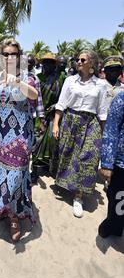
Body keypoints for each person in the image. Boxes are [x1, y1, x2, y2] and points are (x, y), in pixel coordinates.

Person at [0, 39, 38, 243]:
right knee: (1, 173)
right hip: (0, 133)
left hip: (21, 134)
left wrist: (16, 82)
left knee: (17, 174)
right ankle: (4, 210)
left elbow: (33, 95)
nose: (9, 58)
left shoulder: (28, 76)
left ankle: (14, 217)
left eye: (13, 54)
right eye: (5, 54)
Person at [52, 51, 108, 218]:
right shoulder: (70, 81)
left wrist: (105, 135)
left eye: (82, 59)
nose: (78, 61)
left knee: (87, 159)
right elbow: (61, 104)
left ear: (92, 63)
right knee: (68, 155)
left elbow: (102, 111)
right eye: (77, 59)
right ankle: (66, 184)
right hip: (70, 121)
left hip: (90, 124)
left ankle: (79, 196)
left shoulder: (100, 85)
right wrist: (56, 124)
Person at [31, 52, 66, 182]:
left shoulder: (59, 79)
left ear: (54, 65)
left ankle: (48, 166)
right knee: (36, 141)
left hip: (52, 115)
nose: (48, 65)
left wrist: (56, 105)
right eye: (45, 62)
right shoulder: (37, 77)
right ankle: (34, 170)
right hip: (38, 115)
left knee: (52, 141)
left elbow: (64, 97)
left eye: (50, 62)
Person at [98, 91, 124, 238]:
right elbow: (111, 130)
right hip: (121, 164)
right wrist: (107, 163)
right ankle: (113, 223)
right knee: (119, 199)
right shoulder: (121, 99)